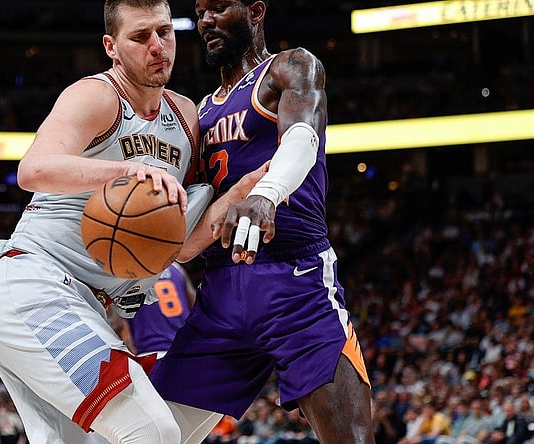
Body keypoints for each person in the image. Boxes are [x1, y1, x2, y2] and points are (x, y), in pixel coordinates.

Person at [0, 0, 266, 442]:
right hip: (37, 286)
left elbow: (177, 246)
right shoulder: (96, 96)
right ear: (111, 46)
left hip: (92, 306)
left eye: (164, 33)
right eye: (140, 36)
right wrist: (125, 171)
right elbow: (33, 170)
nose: (157, 46)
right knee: (151, 430)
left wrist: (239, 194)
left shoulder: (185, 118)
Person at [150, 1, 376, 443]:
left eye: (219, 7)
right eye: (200, 11)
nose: (207, 20)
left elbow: (302, 137)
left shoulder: (290, 67)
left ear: (255, 10)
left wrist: (265, 193)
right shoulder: (197, 114)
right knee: (147, 433)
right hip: (219, 293)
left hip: (295, 282)